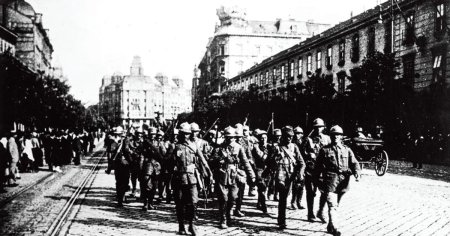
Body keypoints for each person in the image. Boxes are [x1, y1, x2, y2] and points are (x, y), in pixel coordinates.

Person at [313, 125, 360, 236]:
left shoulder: (346, 149)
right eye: (333, 135)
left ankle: (329, 225)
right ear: (330, 136)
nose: (335, 137)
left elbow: (354, 163)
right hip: (330, 180)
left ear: (341, 136)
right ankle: (335, 228)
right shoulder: (324, 150)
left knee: (336, 204)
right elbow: (317, 168)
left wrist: (357, 172)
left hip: (343, 181)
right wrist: (317, 181)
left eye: (338, 135)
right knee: (332, 205)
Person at [170, 122, 212, 236]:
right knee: (179, 204)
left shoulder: (194, 145)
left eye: (187, 134)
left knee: (193, 202)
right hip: (178, 178)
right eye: (183, 134)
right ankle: (181, 226)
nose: (185, 136)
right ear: (180, 134)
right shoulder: (174, 146)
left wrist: (209, 172)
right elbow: (168, 162)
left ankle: (192, 225)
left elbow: (203, 160)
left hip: (192, 178)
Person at [209, 126, 255, 229]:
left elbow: (245, 161)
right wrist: (218, 159)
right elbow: (211, 160)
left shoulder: (238, 147)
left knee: (233, 198)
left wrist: (251, 174)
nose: (230, 139)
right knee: (223, 198)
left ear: (235, 137)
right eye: (228, 137)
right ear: (225, 137)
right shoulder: (219, 148)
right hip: (222, 175)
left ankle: (229, 214)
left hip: (234, 175)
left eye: (232, 137)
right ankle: (223, 218)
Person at [265, 126, 305, 230]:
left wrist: (300, 174)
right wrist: (274, 158)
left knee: (286, 196)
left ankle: (280, 218)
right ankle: (282, 220)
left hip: (290, 175)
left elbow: (301, 163)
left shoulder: (294, 147)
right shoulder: (276, 147)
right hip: (280, 174)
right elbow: (268, 162)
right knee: (283, 198)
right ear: (282, 136)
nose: (289, 139)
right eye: (287, 136)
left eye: (291, 137)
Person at [305, 118, 331, 222]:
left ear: (323, 128)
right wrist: (308, 155)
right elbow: (302, 153)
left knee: (325, 192)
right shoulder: (308, 139)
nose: (318, 129)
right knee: (310, 192)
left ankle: (320, 211)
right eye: (316, 127)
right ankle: (310, 213)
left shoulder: (328, 139)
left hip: (323, 170)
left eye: (320, 127)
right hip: (311, 169)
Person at [141, 127, 162, 210]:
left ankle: (151, 203)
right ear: (148, 134)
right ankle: (145, 204)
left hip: (157, 166)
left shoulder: (159, 143)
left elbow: (162, 154)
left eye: (154, 134)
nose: (153, 136)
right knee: (147, 185)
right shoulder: (145, 143)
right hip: (147, 165)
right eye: (151, 134)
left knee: (154, 186)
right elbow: (141, 155)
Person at [111, 126, 132, 207]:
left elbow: (129, 152)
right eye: (118, 135)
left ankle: (123, 196)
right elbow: (112, 153)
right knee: (119, 183)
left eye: (121, 135)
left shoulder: (126, 142)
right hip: (118, 166)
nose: (120, 136)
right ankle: (120, 200)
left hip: (126, 166)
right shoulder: (114, 143)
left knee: (126, 182)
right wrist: (117, 144)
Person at [252, 129, 270, 213]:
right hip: (259, 168)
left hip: (268, 169)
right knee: (262, 186)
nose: (264, 139)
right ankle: (264, 205)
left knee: (265, 187)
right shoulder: (256, 146)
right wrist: (267, 153)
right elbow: (261, 157)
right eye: (262, 138)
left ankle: (259, 202)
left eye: (265, 138)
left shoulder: (270, 146)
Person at [291, 126, 306, 210]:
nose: (297, 135)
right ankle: (293, 201)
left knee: (301, 185)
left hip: (303, 165)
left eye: (299, 133)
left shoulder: (305, 142)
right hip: (295, 165)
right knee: (295, 185)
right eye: (296, 133)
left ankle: (299, 202)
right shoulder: (292, 143)